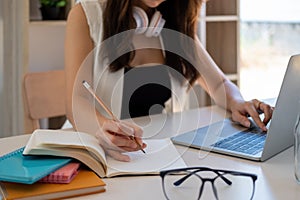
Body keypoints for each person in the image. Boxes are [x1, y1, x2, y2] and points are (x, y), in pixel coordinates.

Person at [65, 0, 274, 162]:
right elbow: (76, 100)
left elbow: (218, 84)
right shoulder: (86, 13)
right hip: (98, 152)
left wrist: (239, 102)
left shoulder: (174, 17)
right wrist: (104, 128)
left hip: (154, 151)